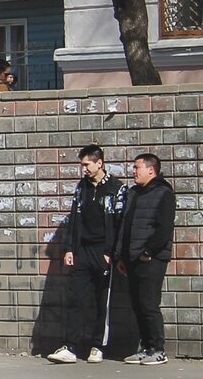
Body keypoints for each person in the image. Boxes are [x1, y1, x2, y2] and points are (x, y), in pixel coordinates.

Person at [48, 145, 125, 364]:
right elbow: (75, 219)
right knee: (77, 298)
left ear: (99, 163)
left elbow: (120, 224)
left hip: (103, 252)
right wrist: (69, 248)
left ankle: (97, 346)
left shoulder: (116, 188)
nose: (83, 169)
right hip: (82, 250)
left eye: (86, 165)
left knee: (102, 301)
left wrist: (112, 253)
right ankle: (71, 346)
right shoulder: (81, 188)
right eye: (82, 165)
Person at [115, 153, 177, 365]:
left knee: (149, 304)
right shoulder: (134, 193)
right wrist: (120, 255)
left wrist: (148, 252)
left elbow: (164, 228)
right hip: (132, 257)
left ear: (151, 170)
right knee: (137, 304)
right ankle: (146, 347)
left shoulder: (163, 193)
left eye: (137, 167)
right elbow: (125, 225)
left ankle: (158, 349)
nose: (133, 171)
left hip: (152, 259)